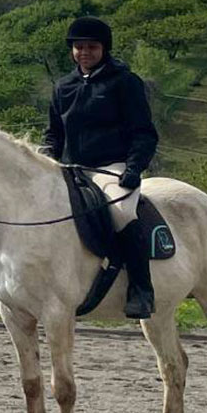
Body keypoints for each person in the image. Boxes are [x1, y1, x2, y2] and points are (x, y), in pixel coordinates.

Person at [42, 16, 160, 318]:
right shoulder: (63, 87)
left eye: (91, 47)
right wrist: (45, 157)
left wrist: (133, 169)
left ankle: (141, 290)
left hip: (112, 167)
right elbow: (54, 133)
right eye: (79, 47)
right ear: (72, 50)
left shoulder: (125, 82)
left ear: (104, 48)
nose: (84, 52)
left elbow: (144, 132)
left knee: (122, 213)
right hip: (70, 169)